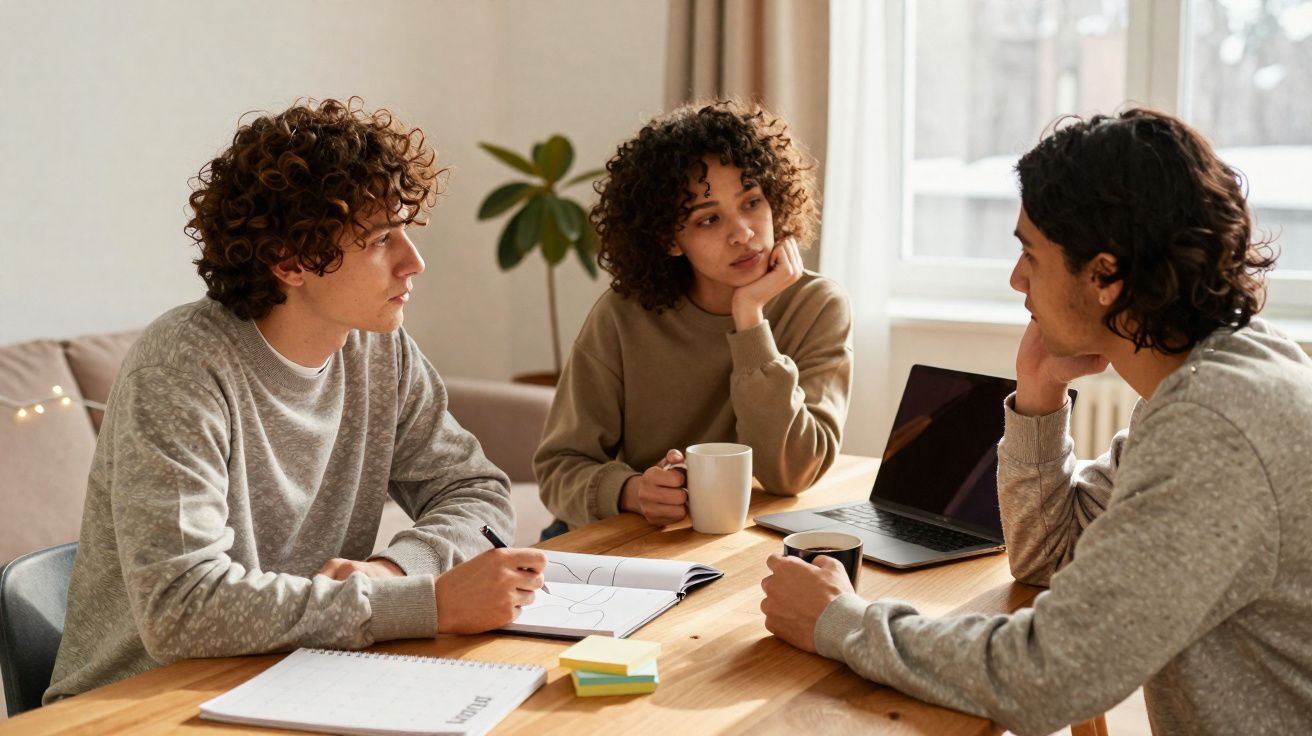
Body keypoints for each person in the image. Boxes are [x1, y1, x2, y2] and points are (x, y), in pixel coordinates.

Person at [760, 108, 1312, 734]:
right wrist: (1039, 398)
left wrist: (843, 622)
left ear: (1106, 275)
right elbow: (1052, 556)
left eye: (1031, 255)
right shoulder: (1209, 381)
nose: (1016, 278)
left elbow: (1049, 676)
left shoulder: (1217, 432)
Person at [46, 98, 546, 702]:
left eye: (407, 232)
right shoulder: (181, 366)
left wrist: (394, 571)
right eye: (382, 238)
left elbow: (475, 492)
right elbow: (180, 607)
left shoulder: (378, 349)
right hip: (144, 703)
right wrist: (424, 603)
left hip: (298, 677)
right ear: (290, 260)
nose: (414, 262)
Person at [533, 99, 853, 530]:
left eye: (752, 201)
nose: (742, 232)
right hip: (625, 540)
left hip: (731, 542)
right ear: (669, 239)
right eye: (708, 220)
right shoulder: (622, 316)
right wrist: (631, 491)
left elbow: (791, 474)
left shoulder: (816, 306)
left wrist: (750, 318)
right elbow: (559, 466)